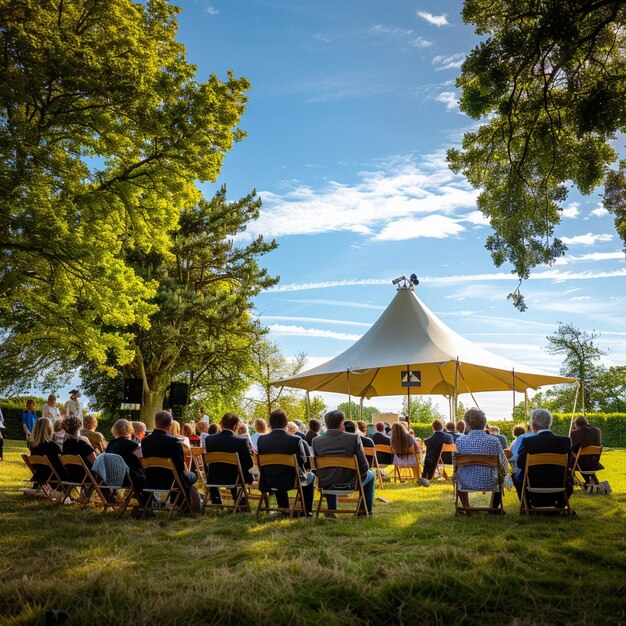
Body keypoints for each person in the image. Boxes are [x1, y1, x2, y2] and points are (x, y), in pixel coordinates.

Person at [313, 410, 375, 515]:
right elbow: (364, 466)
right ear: (341, 424)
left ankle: (331, 510)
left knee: (330, 474)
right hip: (350, 483)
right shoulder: (354, 438)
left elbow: (316, 467)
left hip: (327, 484)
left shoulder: (316, 441)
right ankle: (365, 511)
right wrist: (357, 480)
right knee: (371, 474)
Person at [257, 408, 315, 515]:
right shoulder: (295, 440)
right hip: (291, 480)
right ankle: (307, 511)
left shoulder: (261, 440)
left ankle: (283, 508)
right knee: (310, 476)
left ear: (270, 423)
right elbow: (303, 461)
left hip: (268, 479)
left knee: (277, 470)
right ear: (286, 423)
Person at [512, 409, 573, 508]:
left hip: (532, 484)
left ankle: (526, 507)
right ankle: (559, 507)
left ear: (533, 425)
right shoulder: (565, 441)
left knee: (515, 476)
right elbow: (569, 463)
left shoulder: (528, 442)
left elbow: (520, 464)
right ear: (550, 423)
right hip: (558, 483)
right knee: (569, 477)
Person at [454, 408, 508, 510]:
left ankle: (466, 508)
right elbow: (504, 463)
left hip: (465, 481)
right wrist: (504, 475)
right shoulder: (494, 441)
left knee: (459, 475)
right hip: (490, 481)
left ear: (467, 425)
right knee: (500, 476)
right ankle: (493, 508)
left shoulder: (460, 441)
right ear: (484, 423)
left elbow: (455, 464)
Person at [204, 412, 254, 505]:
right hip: (236, 478)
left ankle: (217, 502)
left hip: (214, 477)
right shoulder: (242, 441)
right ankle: (240, 502)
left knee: (230, 468)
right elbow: (249, 463)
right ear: (235, 426)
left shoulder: (209, 440)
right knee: (241, 470)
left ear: (221, 424)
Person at [141, 410, 197, 492]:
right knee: (193, 476)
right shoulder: (174, 442)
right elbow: (180, 467)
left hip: (151, 481)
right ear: (170, 426)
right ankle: (186, 502)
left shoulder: (145, 441)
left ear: (155, 423)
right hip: (172, 482)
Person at [105, 419, 147, 501]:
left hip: (111, 478)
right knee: (147, 475)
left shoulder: (111, 444)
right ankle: (148, 503)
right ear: (130, 429)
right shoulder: (133, 445)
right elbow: (143, 463)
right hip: (128, 479)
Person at [62, 415, 97, 485]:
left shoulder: (65, 444)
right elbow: (95, 461)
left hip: (72, 476)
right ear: (78, 428)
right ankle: (110, 495)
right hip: (86, 477)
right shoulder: (82, 442)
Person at [29, 417, 65, 485]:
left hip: (40, 477)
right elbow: (62, 464)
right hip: (55, 478)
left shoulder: (34, 447)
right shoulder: (53, 446)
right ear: (50, 430)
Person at [570, 415, 603, 484]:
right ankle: (589, 482)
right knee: (580, 459)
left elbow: (572, 449)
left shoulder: (576, 433)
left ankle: (569, 481)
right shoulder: (597, 431)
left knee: (567, 459)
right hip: (594, 463)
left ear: (576, 424)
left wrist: (573, 433)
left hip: (581, 463)